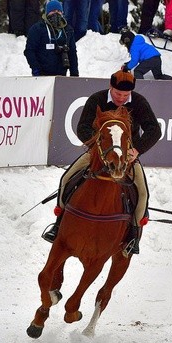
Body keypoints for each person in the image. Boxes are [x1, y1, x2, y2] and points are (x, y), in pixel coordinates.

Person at [43, 69, 161, 256]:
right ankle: (58, 225)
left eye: (125, 95)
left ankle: (133, 235)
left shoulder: (139, 102)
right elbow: (82, 127)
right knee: (66, 179)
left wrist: (136, 149)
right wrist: (97, 147)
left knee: (143, 193)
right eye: (117, 94)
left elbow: (154, 130)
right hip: (98, 153)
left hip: (126, 157)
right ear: (110, 87)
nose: (121, 98)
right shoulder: (96, 99)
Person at [24, 0, 79, 77]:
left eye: (59, 11)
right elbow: (29, 51)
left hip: (61, 76)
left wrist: (74, 74)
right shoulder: (37, 28)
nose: (56, 13)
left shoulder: (68, 30)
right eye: (53, 11)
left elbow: (72, 53)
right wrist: (36, 69)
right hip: (42, 75)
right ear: (47, 12)